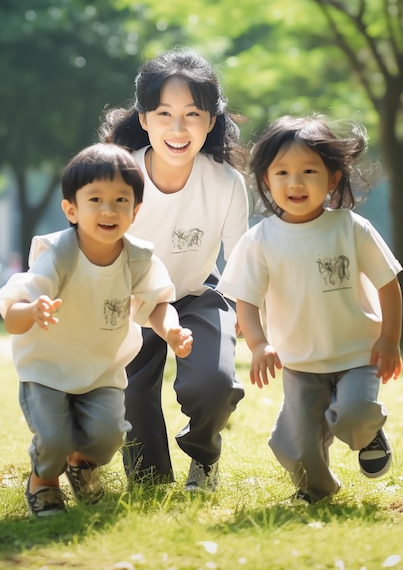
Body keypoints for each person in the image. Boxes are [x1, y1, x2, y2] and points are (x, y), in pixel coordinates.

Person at [0, 143, 193, 517]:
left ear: (136, 210)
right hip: (47, 370)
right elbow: (11, 315)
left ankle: (82, 463)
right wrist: (34, 310)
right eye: (96, 199)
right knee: (53, 439)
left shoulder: (137, 258)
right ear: (71, 208)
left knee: (108, 437)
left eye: (121, 200)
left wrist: (171, 330)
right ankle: (44, 482)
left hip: (102, 372)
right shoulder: (59, 255)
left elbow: (159, 302)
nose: (108, 210)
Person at [217, 114, 403, 503]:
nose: (295, 182)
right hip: (300, 363)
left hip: (357, 354)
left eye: (308, 171)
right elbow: (246, 300)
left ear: (332, 178)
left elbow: (388, 284)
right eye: (282, 172)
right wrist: (259, 345)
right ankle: (317, 489)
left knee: (354, 412)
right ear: (267, 180)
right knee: (294, 446)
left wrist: (389, 338)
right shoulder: (260, 240)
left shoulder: (351, 228)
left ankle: (368, 431)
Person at [99, 47, 248, 492]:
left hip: (198, 294)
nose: (178, 129)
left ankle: (204, 456)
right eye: (164, 113)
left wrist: (251, 321)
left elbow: (240, 261)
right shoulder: (119, 176)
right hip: (132, 300)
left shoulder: (226, 182)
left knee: (215, 384)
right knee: (132, 391)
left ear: (211, 120)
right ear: (144, 119)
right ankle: (150, 480)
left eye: (192, 114)